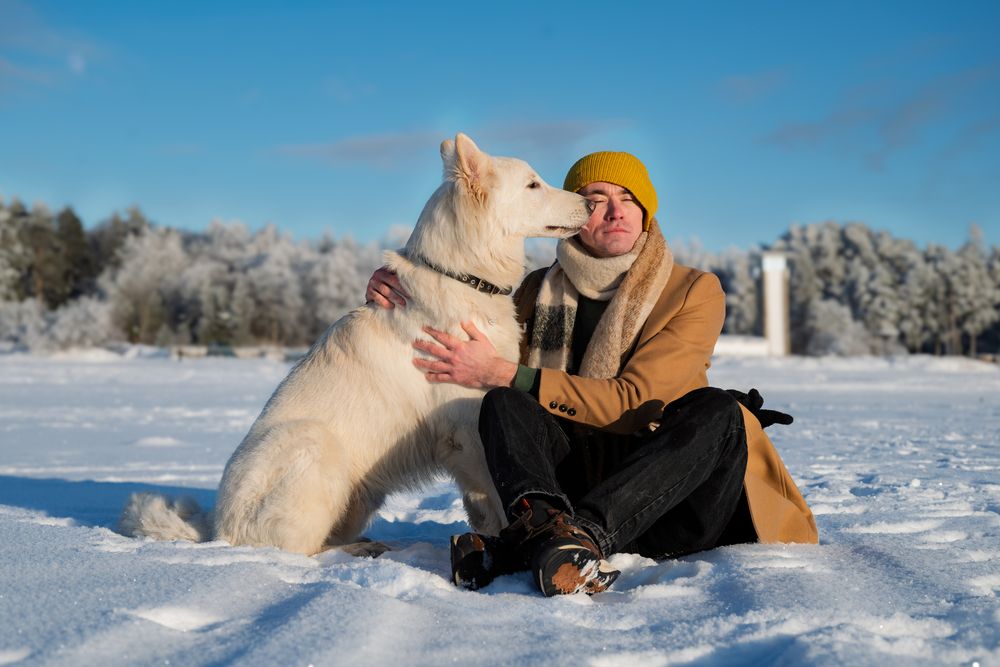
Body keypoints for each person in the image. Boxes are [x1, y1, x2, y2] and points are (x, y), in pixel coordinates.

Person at [366, 151, 817, 597]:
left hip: (670, 494)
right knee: (504, 403)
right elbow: (455, 295)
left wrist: (508, 372)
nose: (616, 211)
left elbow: (634, 400)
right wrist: (401, 281)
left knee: (719, 411)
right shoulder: (533, 290)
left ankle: (561, 542)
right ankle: (552, 537)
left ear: (645, 211)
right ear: (575, 210)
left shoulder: (693, 291)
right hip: (573, 486)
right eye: (597, 197)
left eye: (629, 198)